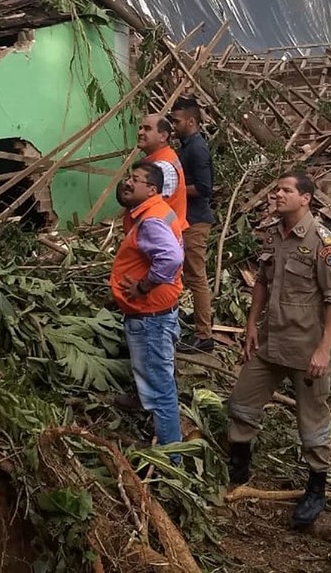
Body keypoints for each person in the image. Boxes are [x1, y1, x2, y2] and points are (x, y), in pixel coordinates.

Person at [226, 171, 331, 529]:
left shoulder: (325, 244)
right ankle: (239, 465)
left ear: (306, 198)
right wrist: (251, 324)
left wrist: (324, 349)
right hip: (270, 342)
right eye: (276, 189)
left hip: (306, 350)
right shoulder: (273, 235)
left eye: (286, 190)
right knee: (241, 403)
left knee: (312, 425)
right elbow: (262, 281)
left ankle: (316, 487)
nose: (276, 195)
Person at [110, 160, 185, 448]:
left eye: (136, 180)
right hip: (156, 311)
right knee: (156, 378)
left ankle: (171, 453)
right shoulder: (156, 212)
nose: (128, 182)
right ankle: (152, 418)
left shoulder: (152, 220)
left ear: (152, 188)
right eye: (129, 176)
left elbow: (172, 258)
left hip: (151, 316)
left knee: (160, 387)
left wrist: (143, 286)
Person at [171, 98, 216, 353]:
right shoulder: (188, 146)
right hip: (187, 219)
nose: (174, 126)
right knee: (187, 274)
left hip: (196, 221)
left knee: (196, 277)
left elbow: (204, 187)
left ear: (191, 121)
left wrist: (173, 191)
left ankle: (204, 335)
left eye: (177, 121)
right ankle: (195, 324)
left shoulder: (197, 148)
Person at [126, 113, 188, 231]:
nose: (140, 133)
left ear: (163, 136)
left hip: (161, 236)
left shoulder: (163, 167)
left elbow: (146, 205)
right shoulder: (160, 159)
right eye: (140, 128)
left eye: (147, 129)